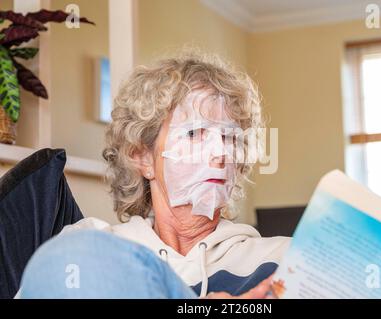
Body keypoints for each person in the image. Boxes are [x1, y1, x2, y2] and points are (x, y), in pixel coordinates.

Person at [19, 51, 291, 298]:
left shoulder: (284, 257)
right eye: (195, 134)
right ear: (143, 157)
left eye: (229, 137)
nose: (220, 153)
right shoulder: (93, 244)